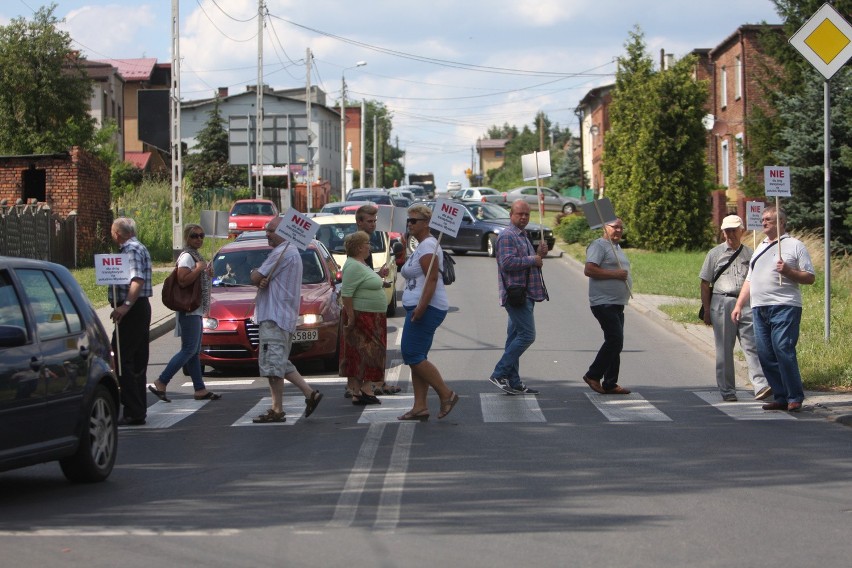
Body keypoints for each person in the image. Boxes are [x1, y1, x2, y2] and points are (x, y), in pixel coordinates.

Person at [732, 206, 815, 412]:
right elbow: (750, 279)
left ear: (782, 222)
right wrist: (739, 304)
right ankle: (780, 396)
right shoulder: (759, 247)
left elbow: (810, 277)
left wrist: (787, 271)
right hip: (760, 308)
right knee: (765, 353)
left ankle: (795, 396)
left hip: (784, 306)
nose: (764, 222)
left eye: (768, 219)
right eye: (762, 219)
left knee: (782, 349)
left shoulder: (795, 246)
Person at [250, 217, 324, 423]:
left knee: (273, 366)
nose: (267, 234)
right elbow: (261, 278)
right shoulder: (291, 252)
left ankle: (277, 409)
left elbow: (255, 278)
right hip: (283, 317)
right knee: (279, 361)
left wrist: (256, 275)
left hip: (274, 317)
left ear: (284, 231)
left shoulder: (282, 253)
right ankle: (309, 394)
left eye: (271, 230)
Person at [700, 215, 771, 402]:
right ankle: (727, 390)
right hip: (721, 302)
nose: (730, 234)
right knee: (724, 349)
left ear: (742, 231)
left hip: (745, 302)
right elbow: (705, 283)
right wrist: (707, 310)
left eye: (733, 230)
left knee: (752, 345)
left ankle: (761, 385)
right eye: (727, 231)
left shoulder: (751, 253)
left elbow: (759, 281)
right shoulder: (714, 254)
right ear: (723, 233)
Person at [397, 204, 458, 421]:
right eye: (408, 221)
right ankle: (420, 406)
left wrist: (421, 308)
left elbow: (431, 279)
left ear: (426, 223)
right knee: (417, 357)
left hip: (427, 308)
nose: (409, 224)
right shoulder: (420, 246)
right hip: (420, 307)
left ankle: (446, 393)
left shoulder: (428, 246)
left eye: (414, 221)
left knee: (411, 354)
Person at [149, 224, 221, 403]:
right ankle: (161, 381)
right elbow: (182, 280)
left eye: (201, 236)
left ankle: (199, 389)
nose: (199, 239)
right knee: (189, 349)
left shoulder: (196, 256)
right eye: (194, 236)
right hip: (189, 310)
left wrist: (206, 273)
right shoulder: (187, 257)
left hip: (195, 309)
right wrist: (198, 269)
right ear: (186, 238)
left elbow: (197, 280)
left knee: (194, 351)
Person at [488, 199, 548, 395]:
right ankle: (499, 373)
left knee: (514, 337)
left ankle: (514, 381)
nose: (523, 217)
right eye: (519, 214)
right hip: (516, 294)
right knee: (527, 335)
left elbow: (529, 262)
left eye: (526, 214)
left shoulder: (522, 235)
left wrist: (539, 254)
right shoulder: (507, 236)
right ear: (511, 215)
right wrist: (533, 259)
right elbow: (506, 263)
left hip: (526, 293)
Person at [349, 203, 400, 397]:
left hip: (370, 304)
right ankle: (367, 386)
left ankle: (364, 385)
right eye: (369, 221)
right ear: (359, 222)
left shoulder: (366, 240)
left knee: (368, 347)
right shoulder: (357, 243)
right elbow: (354, 276)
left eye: (375, 221)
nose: (373, 224)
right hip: (364, 306)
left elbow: (363, 273)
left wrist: (377, 275)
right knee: (369, 347)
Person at [108, 217, 153, 426]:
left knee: (122, 357)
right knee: (134, 358)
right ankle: (136, 410)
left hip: (133, 309)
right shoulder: (137, 247)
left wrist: (125, 306)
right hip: (138, 308)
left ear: (118, 233)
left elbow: (137, 280)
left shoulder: (130, 249)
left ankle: (133, 409)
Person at [581, 217, 632, 395]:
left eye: (621, 227)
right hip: (603, 302)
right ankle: (593, 375)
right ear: (604, 227)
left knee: (616, 343)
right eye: (615, 227)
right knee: (614, 339)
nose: (618, 230)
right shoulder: (598, 245)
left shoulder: (616, 247)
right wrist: (615, 274)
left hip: (617, 303)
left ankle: (610, 382)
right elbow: (589, 270)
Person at [340, 230, 387, 406]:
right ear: (360, 247)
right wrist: (352, 317)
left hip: (371, 315)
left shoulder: (360, 263)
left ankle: (358, 391)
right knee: (370, 353)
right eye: (368, 244)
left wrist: (380, 276)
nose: (370, 247)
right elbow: (347, 294)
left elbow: (365, 282)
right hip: (363, 316)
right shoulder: (353, 265)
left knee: (363, 353)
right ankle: (366, 390)